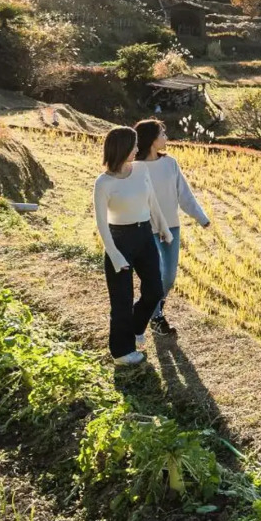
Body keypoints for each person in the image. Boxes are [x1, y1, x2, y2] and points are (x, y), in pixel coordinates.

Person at [93, 126, 172, 365]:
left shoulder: (140, 170)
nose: (138, 149)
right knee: (122, 300)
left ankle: (137, 328)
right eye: (134, 145)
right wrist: (114, 254)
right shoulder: (103, 183)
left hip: (144, 235)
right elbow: (101, 223)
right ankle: (121, 352)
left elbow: (152, 200)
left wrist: (164, 228)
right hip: (119, 239)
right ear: (122, 148)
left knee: (155, 291)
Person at [134, 118, 211, 336]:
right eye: (162, 134)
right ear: (151, 139)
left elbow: (184, 195)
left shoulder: (170, 164)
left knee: (169, 277)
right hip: (145, 229)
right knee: (155, 276)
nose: (166, 138)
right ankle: (156, 317)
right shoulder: (134, 168)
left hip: (171, 227)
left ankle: (151, 307)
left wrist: (201, 217)